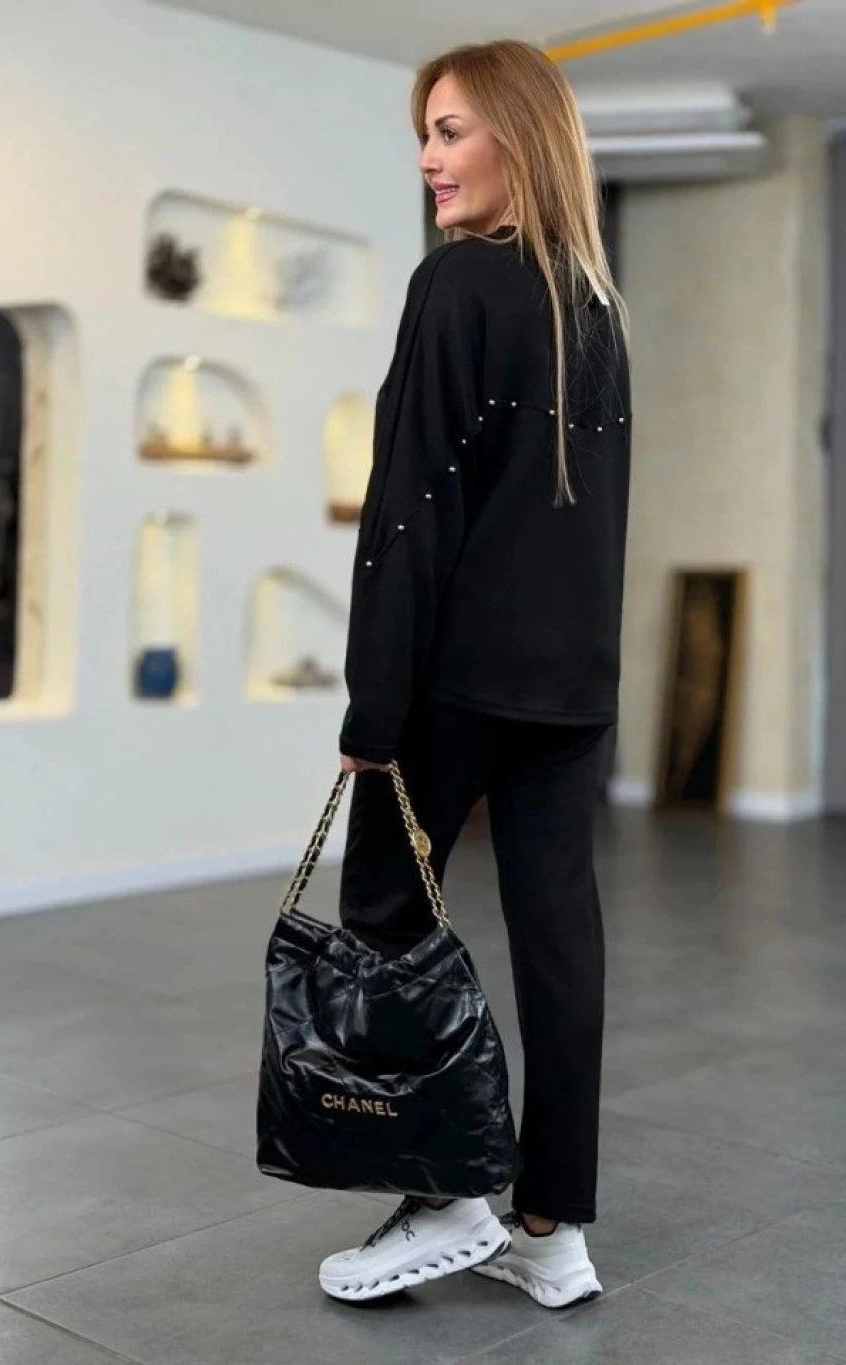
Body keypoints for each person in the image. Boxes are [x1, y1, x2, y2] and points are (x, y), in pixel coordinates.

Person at [319, 37, 631, 1311]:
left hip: (453, 682)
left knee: (384, 920)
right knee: (561, 943)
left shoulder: (455, 284)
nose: (428, 158)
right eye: (426, 133)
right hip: (571, 687)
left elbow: (409, 511)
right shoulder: (592, 304)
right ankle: (551, 1232)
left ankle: (445, 1193)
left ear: (519, 137)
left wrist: (371, 705)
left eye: (450, 131)